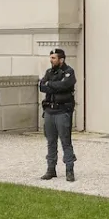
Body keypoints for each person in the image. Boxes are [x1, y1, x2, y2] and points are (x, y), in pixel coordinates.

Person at [38, 48, 77, 181]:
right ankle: (51, 169)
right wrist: (53, 85)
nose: (51, 60)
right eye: (51, 58)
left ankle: (69, 170)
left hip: (62, 111)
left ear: (61, 59)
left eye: (53, 58)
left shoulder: (69, 72)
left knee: (66, 141)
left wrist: (51, 85)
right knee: (51, 141)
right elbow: (42, 86)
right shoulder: (49, 72)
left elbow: (64, 86)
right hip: (50, 111)